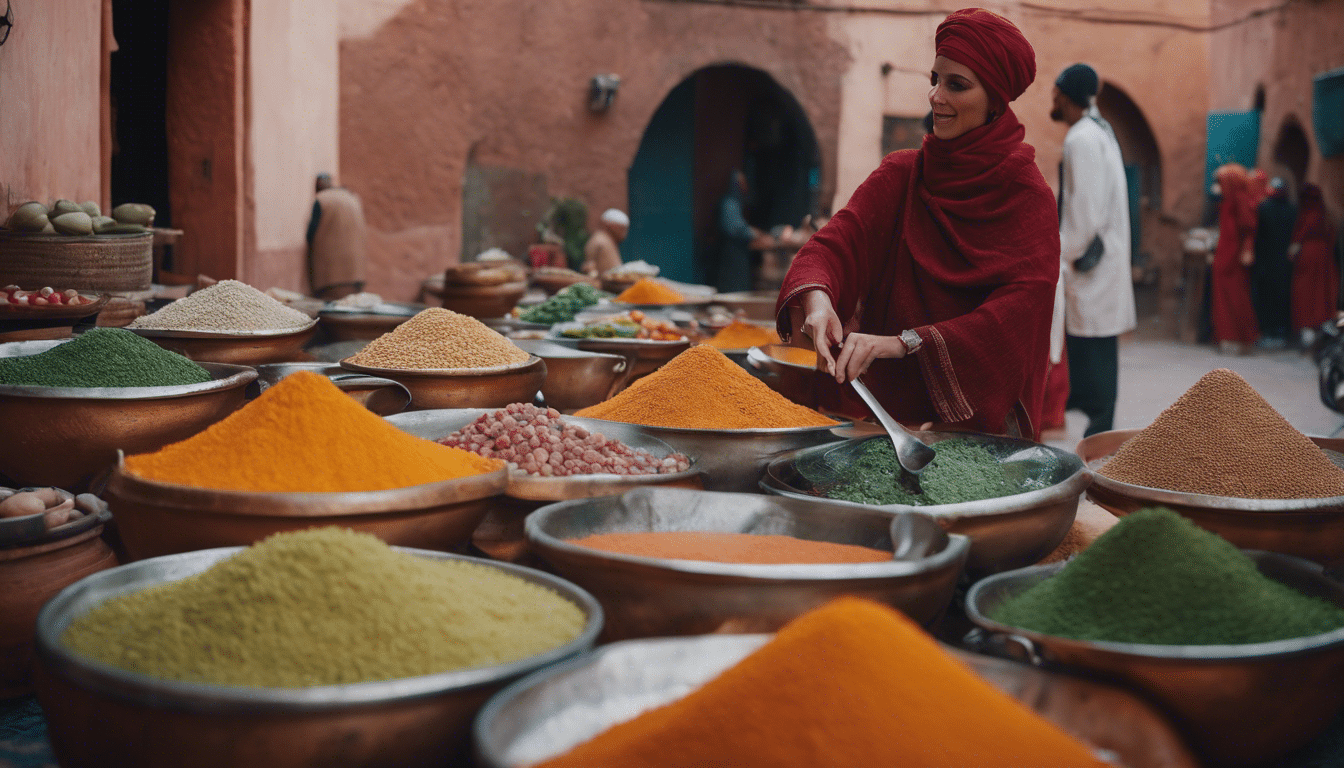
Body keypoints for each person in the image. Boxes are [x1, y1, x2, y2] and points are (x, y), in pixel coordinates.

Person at [776, 8, 1059, 439]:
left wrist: (903, 342)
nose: (935, 96)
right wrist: (818, 302)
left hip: (978, 434)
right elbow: (833, 245)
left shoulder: (1028, 198)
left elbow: (1014, 318)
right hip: (881, 424)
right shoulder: (902, 175)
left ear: (996, 101)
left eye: (956, 85)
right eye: (935, 80)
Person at [1050, 63, 1136, 437]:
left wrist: (1061, 252)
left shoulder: (1081, 138)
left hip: (1090, 261)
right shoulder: (1100, 131)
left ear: (1068, 98)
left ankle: (1098, 434)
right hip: (1102, 259)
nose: (1052, 102)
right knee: (1096, 342)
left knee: (1092, 346)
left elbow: (1083, 211)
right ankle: (1096, 427)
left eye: (1055, 95)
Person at [1209, 163, 1262, 353]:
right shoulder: (1228, 200)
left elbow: (1249, 228)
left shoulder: (1240, 199)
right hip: (1225, 254)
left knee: (1236, 297)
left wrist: (1247, 249)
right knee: (1223, 297)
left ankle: (1238, 337)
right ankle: (1226, 336)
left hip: (1234, 257)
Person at [1290, 182, 1339, 346]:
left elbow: (1302, 233)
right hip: (1324, 256)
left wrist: (1295, 246)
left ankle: (1308, 328)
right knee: (1321, 290)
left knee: (1305, 291)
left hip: (1309, 254)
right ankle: (1320, 324)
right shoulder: (1326, 214)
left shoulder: (1309, 214)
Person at [1251, 177, 1298, 348]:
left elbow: (1259, 237)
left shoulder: (1264, 208)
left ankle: (1268, 330)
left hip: (1266, 261)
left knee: (1266, 296)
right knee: (1281, 296)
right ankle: (1280, 331)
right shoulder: (1292, 210)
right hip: (1284, 262)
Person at [306, 173, 367, 300]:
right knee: (353, 305)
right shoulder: (352, 196)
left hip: (332, 272)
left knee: (335, 307)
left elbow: (311, 233)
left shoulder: (322, 199)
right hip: (357, 268)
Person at [716, 170, 775, 293]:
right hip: (731, 252)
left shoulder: (737, 203)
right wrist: (756, 235)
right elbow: (735, 228)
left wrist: (759, 233)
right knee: (732, 285)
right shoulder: (729, 203)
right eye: (741, 183)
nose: (744, 187)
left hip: (740, 253)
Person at [581, 208, 629, 275]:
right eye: (622, 229)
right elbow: (589, 267)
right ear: (611, 226)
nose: (624, 234)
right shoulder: (599, 240)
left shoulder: (609, 240)